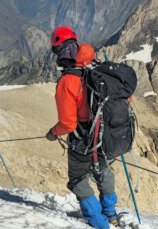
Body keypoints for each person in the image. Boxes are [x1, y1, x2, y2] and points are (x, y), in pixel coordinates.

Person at [46, 26, 118, 229]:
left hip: (82, 139)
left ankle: (99, 222)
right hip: (104, 134)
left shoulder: (68, 81)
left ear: (58, 51)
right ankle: (110, 213)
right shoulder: (96, 69)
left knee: (78, 180)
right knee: (102, 171)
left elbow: (68, 124)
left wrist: (53, 133)